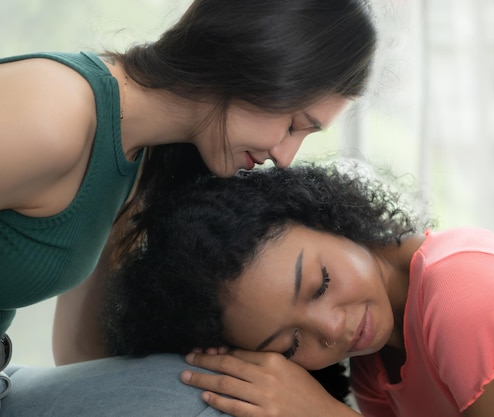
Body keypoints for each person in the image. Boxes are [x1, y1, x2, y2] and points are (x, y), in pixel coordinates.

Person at [0, 0, 376, 405]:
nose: (285, 157)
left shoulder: (143, 162)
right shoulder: (57, 115)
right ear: (253, 62)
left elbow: (80, 355)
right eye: (293, 125)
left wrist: (226, 360)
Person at [89, 161, 494, 417]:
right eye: (290, 344)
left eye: (319, 283)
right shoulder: (375, 362)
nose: (331, 327)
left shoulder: (461, 290)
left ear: (327, 218)